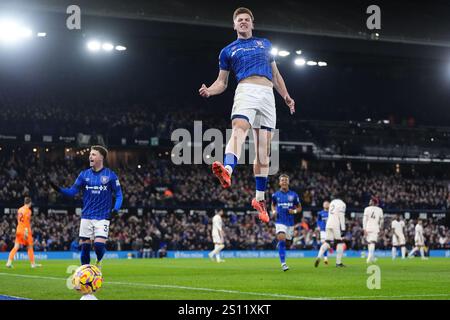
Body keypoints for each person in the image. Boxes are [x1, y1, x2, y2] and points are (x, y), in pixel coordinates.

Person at [199, 7, 295, 223]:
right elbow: (222, 82)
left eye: (246, 19)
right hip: (246, 91)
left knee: (264, 150)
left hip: (268, 94)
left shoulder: (265, 44)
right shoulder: (228, 51)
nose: (243, 22)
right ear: (234, 25)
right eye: (239, 20)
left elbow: (276, 74)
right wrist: (210, 91)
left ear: (252, 23)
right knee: (240, 129)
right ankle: (228, 169)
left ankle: (259, 199)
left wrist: (286, 96)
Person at [50, 145, 123, 267]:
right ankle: (84, 274)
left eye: (93, 154)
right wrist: (59, 189)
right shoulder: (84, 175)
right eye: (90, 154)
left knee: (99, 245)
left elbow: (119, 195)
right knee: (85, 247)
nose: (90, 156)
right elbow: (72, 192)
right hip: (87, 216)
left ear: (101, 158)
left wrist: (115, 210)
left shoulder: (110, 175)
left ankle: (99, 261)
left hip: (103, 217)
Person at [271, 174, 301, 271]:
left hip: (290, 223)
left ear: (288, 182)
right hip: (280, 221)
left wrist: (295, 211)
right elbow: (272, 205)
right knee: (282, 239)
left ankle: (281, 244)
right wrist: (274, 211)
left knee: (287, 243)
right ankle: (283, 264)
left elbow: (299, 207)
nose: (284, 182)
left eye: (285, 180)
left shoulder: (294, 195)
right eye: (282, 180)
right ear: (279, 183)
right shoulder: (275, 195)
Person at [6, 197, 41, 268]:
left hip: (18, 229)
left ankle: (9, 263)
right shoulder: (28, 211)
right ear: (30, 203)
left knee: (16, 247)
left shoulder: (19, 209)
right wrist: (26, 232)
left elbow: (19, 220)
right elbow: (26, 222)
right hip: (25, 231)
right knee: (30, 246)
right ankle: (33, 264)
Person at [315, 194, 346, 267]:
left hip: (328, 224)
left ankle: (319, 256)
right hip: (335, 224)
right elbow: (341, 216)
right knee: (340, 242)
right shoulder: (342, 204)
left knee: (327, 242)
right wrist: (343, 228)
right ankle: (338, 263)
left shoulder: (332, 203)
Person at [363, 196, 384, 264]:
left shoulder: (366, 209)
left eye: (370, 201)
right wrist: (381, 228)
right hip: (375, 228)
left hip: (368, 227)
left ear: (373, 202)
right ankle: (369, 258)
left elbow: (364, 220)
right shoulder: (380, 210)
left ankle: (371, 258)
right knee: (372, 243)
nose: (369, 202)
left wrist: (364, 229)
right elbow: (382, 221)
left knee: (370, 243)